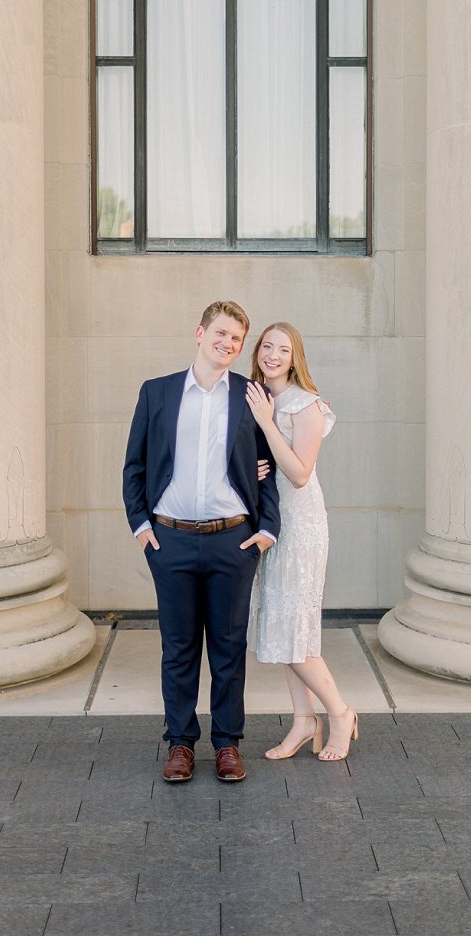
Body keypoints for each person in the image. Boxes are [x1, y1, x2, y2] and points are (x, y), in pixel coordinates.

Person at [123, 300, 280, 784]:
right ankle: (180, 744)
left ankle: (228, 744)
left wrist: (266, 530)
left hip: (232, 540)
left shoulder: (249, 396)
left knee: (229, 647)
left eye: (236, 338)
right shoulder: (158, 393)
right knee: (179, 647)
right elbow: (136, 466)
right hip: (169, 540)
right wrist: (142, 527)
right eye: (221, 333)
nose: (228, 344)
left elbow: (267, 467)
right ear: (200, 332)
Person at [244, 322, 359, 762]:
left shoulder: (306, 405)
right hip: (271, 524)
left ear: (295, 358)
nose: (273, 354)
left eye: (283, 349)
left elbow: (299, 472)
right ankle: (302, 720)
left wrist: (267, 426)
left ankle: (340, 712)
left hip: (302, 525)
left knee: (296, 629)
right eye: (267, 346)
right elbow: (263, 462)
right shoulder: (257, 395)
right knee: (283, 628)